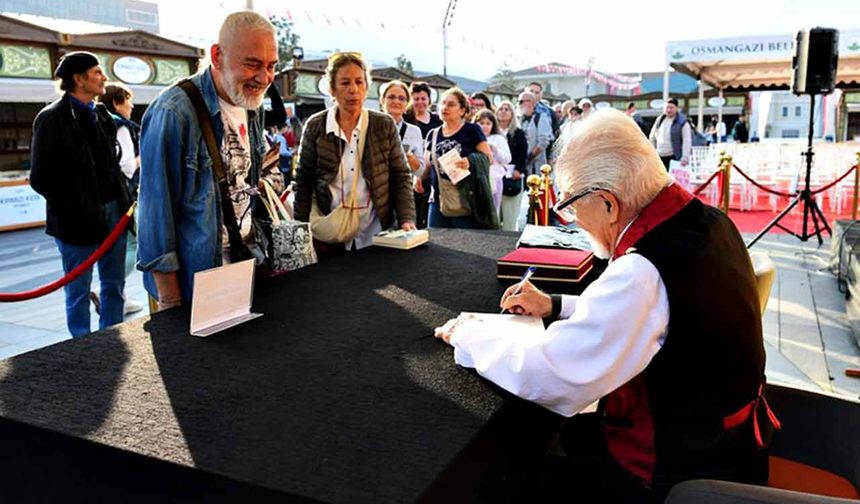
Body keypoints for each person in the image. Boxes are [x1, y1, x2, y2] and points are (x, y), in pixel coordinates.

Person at [435, 108, 776, 503]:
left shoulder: (643, 270)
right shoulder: (711, 221)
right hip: (728, 446)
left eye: (570, 206)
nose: (571, 219)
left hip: (675, 475)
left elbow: (553, 374)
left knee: (507, 481)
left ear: (608, 202)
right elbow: (658, 315)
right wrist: (556, 305)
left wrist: (469, 336)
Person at [137, 11, 283, 309]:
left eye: (271, 66)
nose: (264, 77)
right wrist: (170, 302)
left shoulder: (251, 103)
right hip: (197, 282)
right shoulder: (173, 112)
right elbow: (154, 215)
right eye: (252, 64)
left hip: (248, 266)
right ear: (217, 55)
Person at [29, 51, 131, 337]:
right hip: (75, 222)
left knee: (114, 284)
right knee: (78, 290)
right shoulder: (51, 118)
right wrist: (75, 207)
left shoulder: (101, 115)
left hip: (114, 213)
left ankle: (111, 335)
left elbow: (112, 164)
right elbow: (40, 178)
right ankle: (81, 346)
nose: (104, 77)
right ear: (79, 78)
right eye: (97, 72)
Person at [293, 52, 416, 253]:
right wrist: (300, 231)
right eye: (345, 83)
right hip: (331, 235)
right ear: (332, 89)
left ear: (367, 88)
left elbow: (400, 176)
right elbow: (303, 181)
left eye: (359, 82)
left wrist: (406, 219)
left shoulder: (383, 125)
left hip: (377, 234)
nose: (353, 90)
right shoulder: (316, 126)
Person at [98, 83, 145, 315]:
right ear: (116, 103)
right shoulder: (121, 127)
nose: (132, 104)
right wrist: (141, 157)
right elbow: (126, 166)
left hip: (101, 197)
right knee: (131, 245)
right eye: (127, 99)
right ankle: (111, 291)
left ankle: (117, 294)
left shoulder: (98, 121)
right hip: (121, 195)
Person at [426, 87, 495, 229]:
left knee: (463, 243)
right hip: (438, 199)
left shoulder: (472, 130)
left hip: (465, 198)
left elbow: (488, 158)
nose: (445, 107)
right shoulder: (433, 134)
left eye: (451, 104)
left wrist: (470, 161)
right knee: (435, 244)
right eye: (443, 103)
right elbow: (428, 166)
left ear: (463, 110)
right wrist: (418, 179)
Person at [380, 80, 425, 203]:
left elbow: (419, 170)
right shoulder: (371, 126)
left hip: (401, 194)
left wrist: (409, 158)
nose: (396, 101)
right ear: (382, 100)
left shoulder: (414, 131)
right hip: (374, 193)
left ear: (407, 104)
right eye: (391, 97)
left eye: (401, 98)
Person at [404, 81, 442, 229]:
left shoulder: (437, 120)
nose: (420, 102)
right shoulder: (407, 119)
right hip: (411, 170)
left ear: (429, 100)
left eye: (423, 98)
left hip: (432, 171)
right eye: (416, 98)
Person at [496, 100, 528, 232]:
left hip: (512, 177)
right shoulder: (493, 133)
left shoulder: (518, 133)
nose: (503, 111)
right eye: (501, 109)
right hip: (496, 178)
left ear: (512, 113)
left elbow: (523, 154)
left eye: (506, 109)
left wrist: (518, 170)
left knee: (510, 217)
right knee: (496, 217)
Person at [473, 109, 511, 214]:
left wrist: (495, 150)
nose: (484, 126)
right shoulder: (473, 138)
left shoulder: (498, 139)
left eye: (488, 123)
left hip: (495, 178)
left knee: (493, 209)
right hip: (476, 179)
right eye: (481, 123)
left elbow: (507, 159)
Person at [649, 97, 691, 170]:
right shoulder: (660, 119)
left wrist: (685, 157)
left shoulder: (682, 122)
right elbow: (652, 137)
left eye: (671, 107)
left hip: (674, 157)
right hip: (659, 157)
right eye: (666, 107)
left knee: (672, 180)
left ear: (676, 108)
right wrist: (652, 153)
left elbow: (687, 140)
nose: (668, 110)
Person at [517, 91, 552, 175]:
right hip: (521, 166)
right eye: (519, 102)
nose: (521, 104)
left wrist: (530, 156)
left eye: (524, 101)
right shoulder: (518, 119)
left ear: (532, 103)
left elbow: (543, 141)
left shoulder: (541, 118)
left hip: (536, 165)